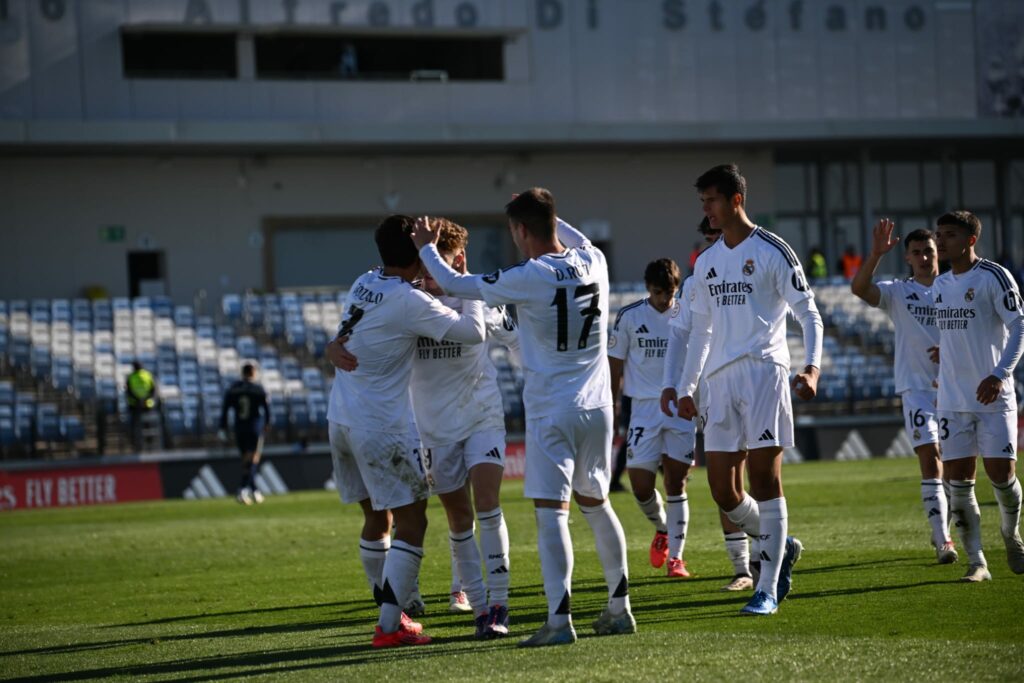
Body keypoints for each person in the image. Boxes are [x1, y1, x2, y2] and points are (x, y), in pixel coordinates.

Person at [411, 188, 634, 647]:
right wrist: (547, 213)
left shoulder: (529, 275)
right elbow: (568, 234)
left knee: (552, 513)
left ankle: (558, 620)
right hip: (599, 407)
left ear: (520, 230)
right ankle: (619, 607)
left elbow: (455, 285)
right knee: (597, 503)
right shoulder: (594, 259)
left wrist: (426, 249)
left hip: (554, 408)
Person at [330, 219, 517, 638]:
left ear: (459, 261)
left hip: (480, 416)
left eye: (440, 265)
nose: (432, 276)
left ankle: (497, 605)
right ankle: (467, 607)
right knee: (454, 517)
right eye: (427, 263)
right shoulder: (412, 301)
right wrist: (331, 344)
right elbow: (365, 329)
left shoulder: (477, 298)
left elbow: (517, 342)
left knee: (486, 503)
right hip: (428, 429)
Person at [662, 164, 822, 616]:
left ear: (736, 200)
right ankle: (781, 544)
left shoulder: (773, 250)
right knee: (722, 492)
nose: (706, 210)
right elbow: (700, 333)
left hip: (763, 372)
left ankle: (767, 587)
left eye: (711, 200)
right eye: (702, 203)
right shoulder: (707, 262)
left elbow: (809, 313)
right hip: (720, 381)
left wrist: (812, 367)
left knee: (765, 481)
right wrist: (686, 386)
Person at [850, 221, 957, 563]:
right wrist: (876, 255)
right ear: (908, 258)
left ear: (938, 253)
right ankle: (944, 540)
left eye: (929, 251)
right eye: (917, 253)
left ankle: (945, 525)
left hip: (958, 389)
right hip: (917, 390)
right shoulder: (898, 293)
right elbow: (859, 288)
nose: (924, 257)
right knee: (931, 459)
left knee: (956, 470)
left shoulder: (956, 289)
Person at [931, 210, 1024, 582]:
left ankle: (1010, 532)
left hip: (992, 397)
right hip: (952, 399)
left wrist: (1000, 374)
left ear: (970, 239)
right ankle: (977, 562)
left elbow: (1019, 327)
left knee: (1001, 476)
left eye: (949, 235)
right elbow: (958, 334)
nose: (941, 241)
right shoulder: (939, 285)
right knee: (959, 482)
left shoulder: (994, 276)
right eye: (939, 234)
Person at [666, 216, 755, 592]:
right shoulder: (695, 283)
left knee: (753, 477)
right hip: (712, 388)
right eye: (709, 237)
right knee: (725, 482)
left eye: (718, 235)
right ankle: (745, 567)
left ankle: (765, 557)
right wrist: (673, 384)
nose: (714, 242)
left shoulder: (750, 272)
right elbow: (680, 335)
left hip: (752, 380)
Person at [608, 258, 696, 578]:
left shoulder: (685, 312)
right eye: (659, 292)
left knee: (676, 482)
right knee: (640, 485)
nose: (665, 299)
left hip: (679, 408)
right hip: (643, 408)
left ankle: (677, 557)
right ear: (649, 288)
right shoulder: (630, 316)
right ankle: (663, 529)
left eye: (671, 292)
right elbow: (615, 363)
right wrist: (613, 403)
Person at [218, 363, 272, 506]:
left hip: (239, 427)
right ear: (253, 373)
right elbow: (267, 409)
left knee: (245, 461)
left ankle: (254, 491)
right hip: (254, 427)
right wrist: (267, 424)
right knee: (252, 460)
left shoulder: (234, 388)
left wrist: (222, 427)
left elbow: (225, 409)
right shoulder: (258, 389)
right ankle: (242, 489)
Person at [125, 361, 157, 452]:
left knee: (136, 426)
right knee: (147, 425)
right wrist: (146, 399)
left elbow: (129, 392)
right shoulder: (148, 375)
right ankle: (149, 444)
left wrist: (138, 400)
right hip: (147, 405)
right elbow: (153, 390)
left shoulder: (130, 377)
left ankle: (137, 445)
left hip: (135, 405)